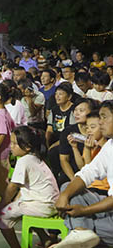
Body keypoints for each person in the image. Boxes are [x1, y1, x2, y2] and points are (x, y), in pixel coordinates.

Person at [52, 101, 113, 248]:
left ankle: (80, 233)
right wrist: (64, 196)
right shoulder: (110, 146)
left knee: (80, 222)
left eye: (104, 117)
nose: (100, 122)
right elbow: (87, 172)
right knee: (68, 186)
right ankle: (81, 232)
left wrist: (84, 211)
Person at [0, 126, 59, 248]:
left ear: (27, 146)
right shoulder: (36, 157)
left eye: (14, 144)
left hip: (41, 206)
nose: (10, 146)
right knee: (21, 204)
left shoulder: (24, 161)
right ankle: (45, 239)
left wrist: (3, 204)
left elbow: (13, 187)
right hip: (51, 203)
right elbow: (23, 189)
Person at [58, 98, 95, 187]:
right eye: (75, 110)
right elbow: (64, 160)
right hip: (73, 172)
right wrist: (74, 181)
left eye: (81, 110)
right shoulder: (68, 132)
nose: (76, 113)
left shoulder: (97, 132)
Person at [0, 83, 17, 197]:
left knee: (0, 178)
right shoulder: (3, 112)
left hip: (0, 152)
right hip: (3, 151)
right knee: (1, 176)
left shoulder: (0, 114)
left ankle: (6, 201)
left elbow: (2, 134)